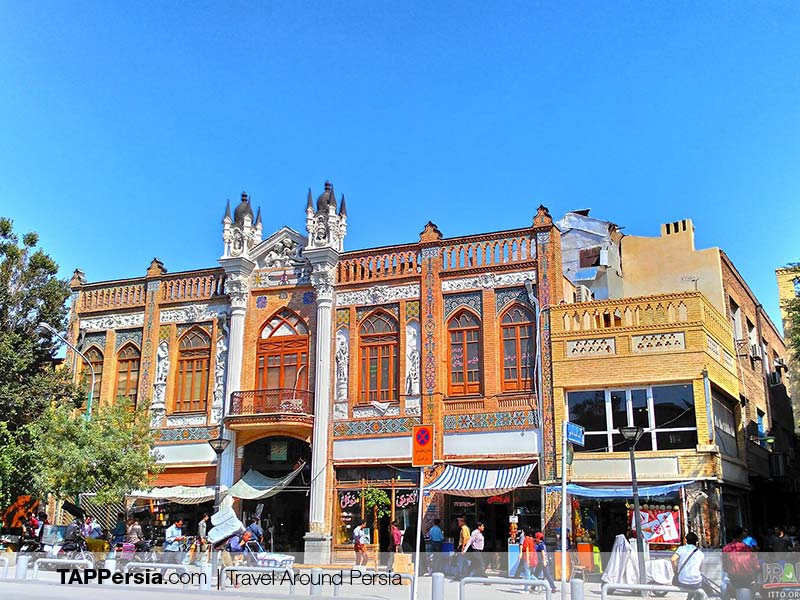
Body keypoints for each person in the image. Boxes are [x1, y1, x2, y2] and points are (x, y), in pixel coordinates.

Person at [722, 526, 759, 600]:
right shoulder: (747, 548)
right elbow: (756, 565)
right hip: (747, 579)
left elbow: (725, 566)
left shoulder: (726, 549)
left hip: (733, 579)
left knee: (723, 586)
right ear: (741, 535)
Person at [672, 532, 708, 600]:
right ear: (696, 542)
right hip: (696, 582)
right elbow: (699, 569)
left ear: (686, 540)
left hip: (682, 581)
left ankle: (689, 598)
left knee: (690, 582)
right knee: (704, 583)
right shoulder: (701, 553)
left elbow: (673, 559)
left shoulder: (681, 549)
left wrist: (676, 571)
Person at [516, 527, 539, 593]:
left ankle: (526, 589)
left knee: (527, 573)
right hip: (532, 557)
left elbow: (527, 550)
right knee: (529, 573)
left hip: (527, 557)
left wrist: (527, 560)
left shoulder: (526, 540)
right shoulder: (531, 539)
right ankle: (540, 583)